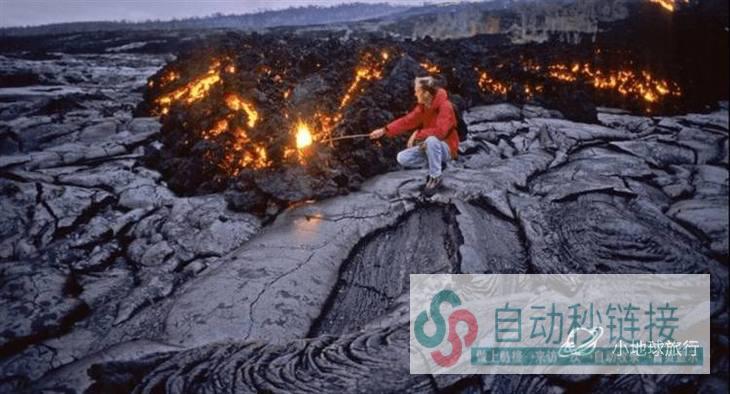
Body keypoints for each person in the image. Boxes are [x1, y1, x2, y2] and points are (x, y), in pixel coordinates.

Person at [369, 76, 459, 196]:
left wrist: (418, 134)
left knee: (431, 140)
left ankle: (435, 177)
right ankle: (436, 163)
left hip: (447, 147)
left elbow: (441, 132)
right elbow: (407, 121)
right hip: (430, 145)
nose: (415, 93)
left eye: (417, 91)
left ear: (426, 93)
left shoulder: (445, 106)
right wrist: (384, 130)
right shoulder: (423, 107)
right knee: (402, 157)